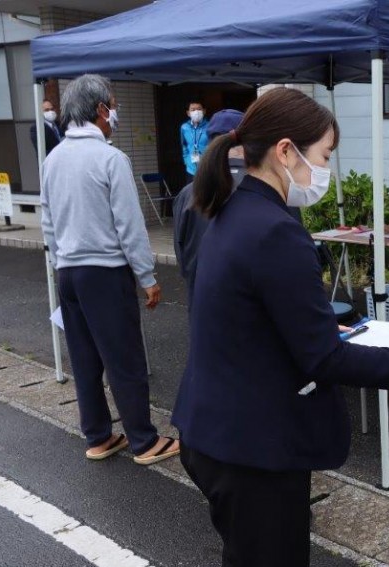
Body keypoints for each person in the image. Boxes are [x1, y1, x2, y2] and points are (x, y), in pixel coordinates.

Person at [172, 87, 389, 567]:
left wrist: (310, 327)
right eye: (327, 154)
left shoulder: (230, 210)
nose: (327, 169)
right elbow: (324, 359)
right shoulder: (275, 229)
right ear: (286, 152)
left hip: (215, 430)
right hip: (254, 450)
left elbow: (251, 319)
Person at [40, 74, 178, 466]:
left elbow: (48, 224)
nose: (114, 113)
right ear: (101, 110)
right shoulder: (110, 158)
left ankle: (98, 436)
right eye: (112, 106)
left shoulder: (52, 160)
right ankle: (143, 440)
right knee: (124, 357)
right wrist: (147, 277)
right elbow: (129, 226)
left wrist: (60, 262)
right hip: (105, 272)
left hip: (67, 271)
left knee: (84, 358)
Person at [172, 109, 246, 300]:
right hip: (252, 310)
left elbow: (182, 253)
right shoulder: (267, 188)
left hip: (202, 304)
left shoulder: (187, 194)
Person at [180, 101, 209, 182]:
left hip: (207, 167)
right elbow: (184, 145)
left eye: (199, 109)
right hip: (191, 168)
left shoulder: (210, 127)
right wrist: (186, 160)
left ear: (204, 111)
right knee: (191, 192)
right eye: (193, 110)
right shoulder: (184, 127)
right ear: (188, 113)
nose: (196, 112)